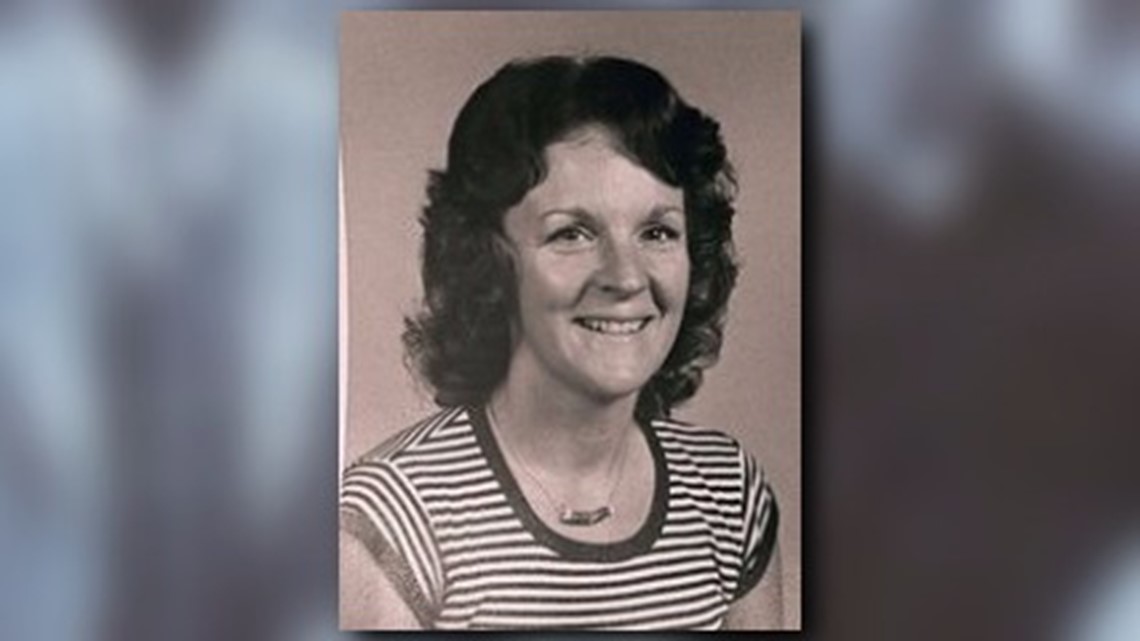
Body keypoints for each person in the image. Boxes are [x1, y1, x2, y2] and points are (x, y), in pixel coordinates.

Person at [339, 54, 782, 630]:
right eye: (572, 233)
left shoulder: (729, 493)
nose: (626, 277)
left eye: (657, 232)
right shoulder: (397, 515)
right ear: (489, 263)